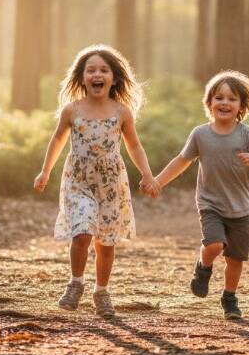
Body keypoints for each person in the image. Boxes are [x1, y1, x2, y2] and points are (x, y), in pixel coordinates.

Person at [34, 44, 157, 317]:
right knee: (82, 232)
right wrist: (45, 171)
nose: (97, 74)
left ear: (114, 78)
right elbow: (57, 141)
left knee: (106, 241)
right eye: (90, 70)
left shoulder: (121, 112)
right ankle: (75, 283)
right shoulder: (72, 110)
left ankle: (102, 292)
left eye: (103, 70)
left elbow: (135, 146)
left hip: (111, 184)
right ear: (81, 77)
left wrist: (148, 176)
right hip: (78, 180)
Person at [152, 70, 249, 319]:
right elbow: (181, 161)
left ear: (242, 106)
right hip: (210, 204)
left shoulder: (247, 134)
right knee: (215, 244)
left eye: (232, 98)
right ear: (209, 103)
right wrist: (157, 181)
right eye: (218, 97)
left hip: (240, 208)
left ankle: (229, 298)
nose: (224, 102)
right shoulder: (200, 134)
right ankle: (203, 267)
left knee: (235, 259)